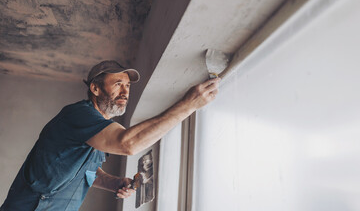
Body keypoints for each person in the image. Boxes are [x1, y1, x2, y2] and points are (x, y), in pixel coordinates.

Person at [1, 60, 220, 211]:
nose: (125, 92)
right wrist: (188, 105)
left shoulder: (99, 129)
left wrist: (114, 183)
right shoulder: (79, 114)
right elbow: (129, 144)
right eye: (118, 84)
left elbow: (87, 172)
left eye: (127, 85)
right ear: (95, 89)